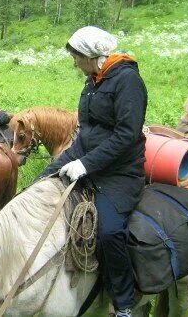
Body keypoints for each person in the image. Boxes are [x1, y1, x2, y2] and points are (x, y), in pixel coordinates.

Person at [39, 26, 147, 317]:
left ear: (90, 54)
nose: (74, 62)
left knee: (110, 232)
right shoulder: (92, 83)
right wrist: (52, 170)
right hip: (89, 163)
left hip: (120, 174)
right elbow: (85, 136)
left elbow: (126, 135)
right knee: (37, 189)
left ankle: (123, 303)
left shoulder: (128, 81)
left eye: (76, 56)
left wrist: (86, 164)